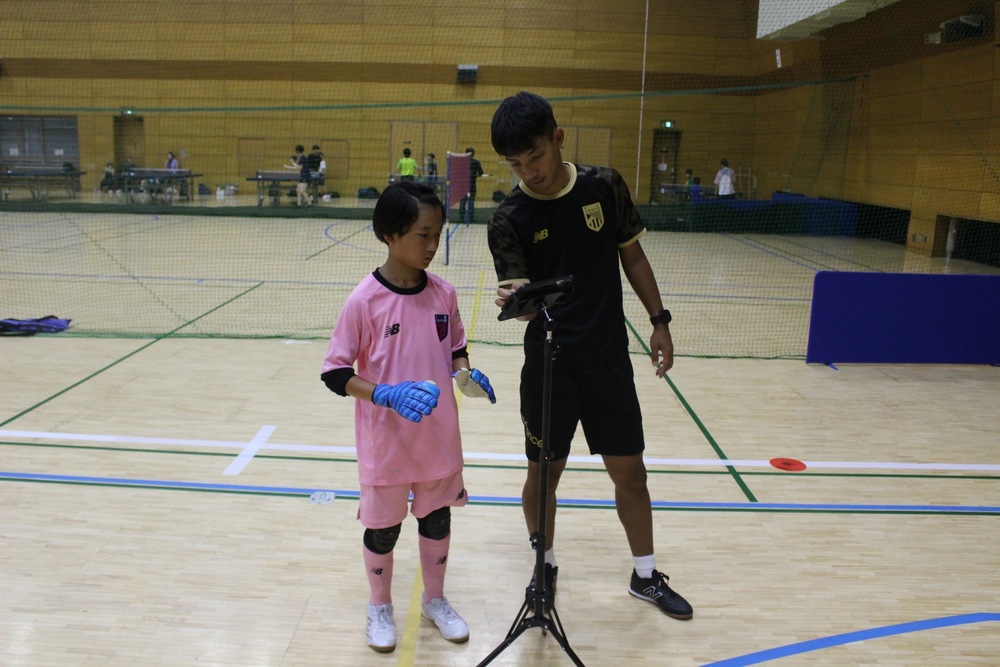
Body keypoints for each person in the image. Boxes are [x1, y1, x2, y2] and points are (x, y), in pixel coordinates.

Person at [486, 91, 693, 621]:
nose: (529, 171)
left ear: (557, 138)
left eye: (535, 156)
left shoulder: (604, 185)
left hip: (607, 361)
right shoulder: (508, 217)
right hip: (549, 368)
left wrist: (660, 321)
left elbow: (633, 256)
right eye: (515, 164)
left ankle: (645, 575)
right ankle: (544, 567)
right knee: (543, 477)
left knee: (631, 475)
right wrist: (518, 304)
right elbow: (520, 299)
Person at [320, 180, 497, 653]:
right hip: (387, 440)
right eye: (423, 235)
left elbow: (456, 347)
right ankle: (379, 606)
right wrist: (385, 394)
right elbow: (335, 373)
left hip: (438, 437)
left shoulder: (444, 294)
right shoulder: (364, 301)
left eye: (437, 234)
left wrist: (465, 374)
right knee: (384, 529)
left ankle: (435, 600)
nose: (432, 245)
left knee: (437, 520)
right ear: (391, 235)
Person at [458, 147, 485, 224]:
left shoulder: (461, 162)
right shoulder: (476, 162)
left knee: (462, 202)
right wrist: (475, 174)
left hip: (463, 186)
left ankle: (461, 218)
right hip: (472, 186)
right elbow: (481, 173)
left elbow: (458, 173)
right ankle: (471, 218)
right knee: (471, 203)